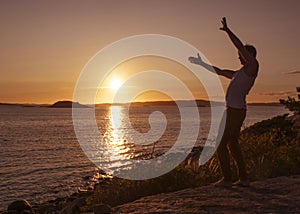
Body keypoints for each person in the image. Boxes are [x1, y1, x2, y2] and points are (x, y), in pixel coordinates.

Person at [188, 17, 259, 187]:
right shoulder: (239, 73)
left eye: (241, 56)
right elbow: (219, 71)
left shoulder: (253, 66)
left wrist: (228, 31)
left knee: (220, 143)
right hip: (233, 110)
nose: (239, 58)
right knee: (233, 144)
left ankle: (227, 179)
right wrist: (201, 63)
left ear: (248, 56)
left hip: (235, 111)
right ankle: (244, 179)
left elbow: (239, 46)